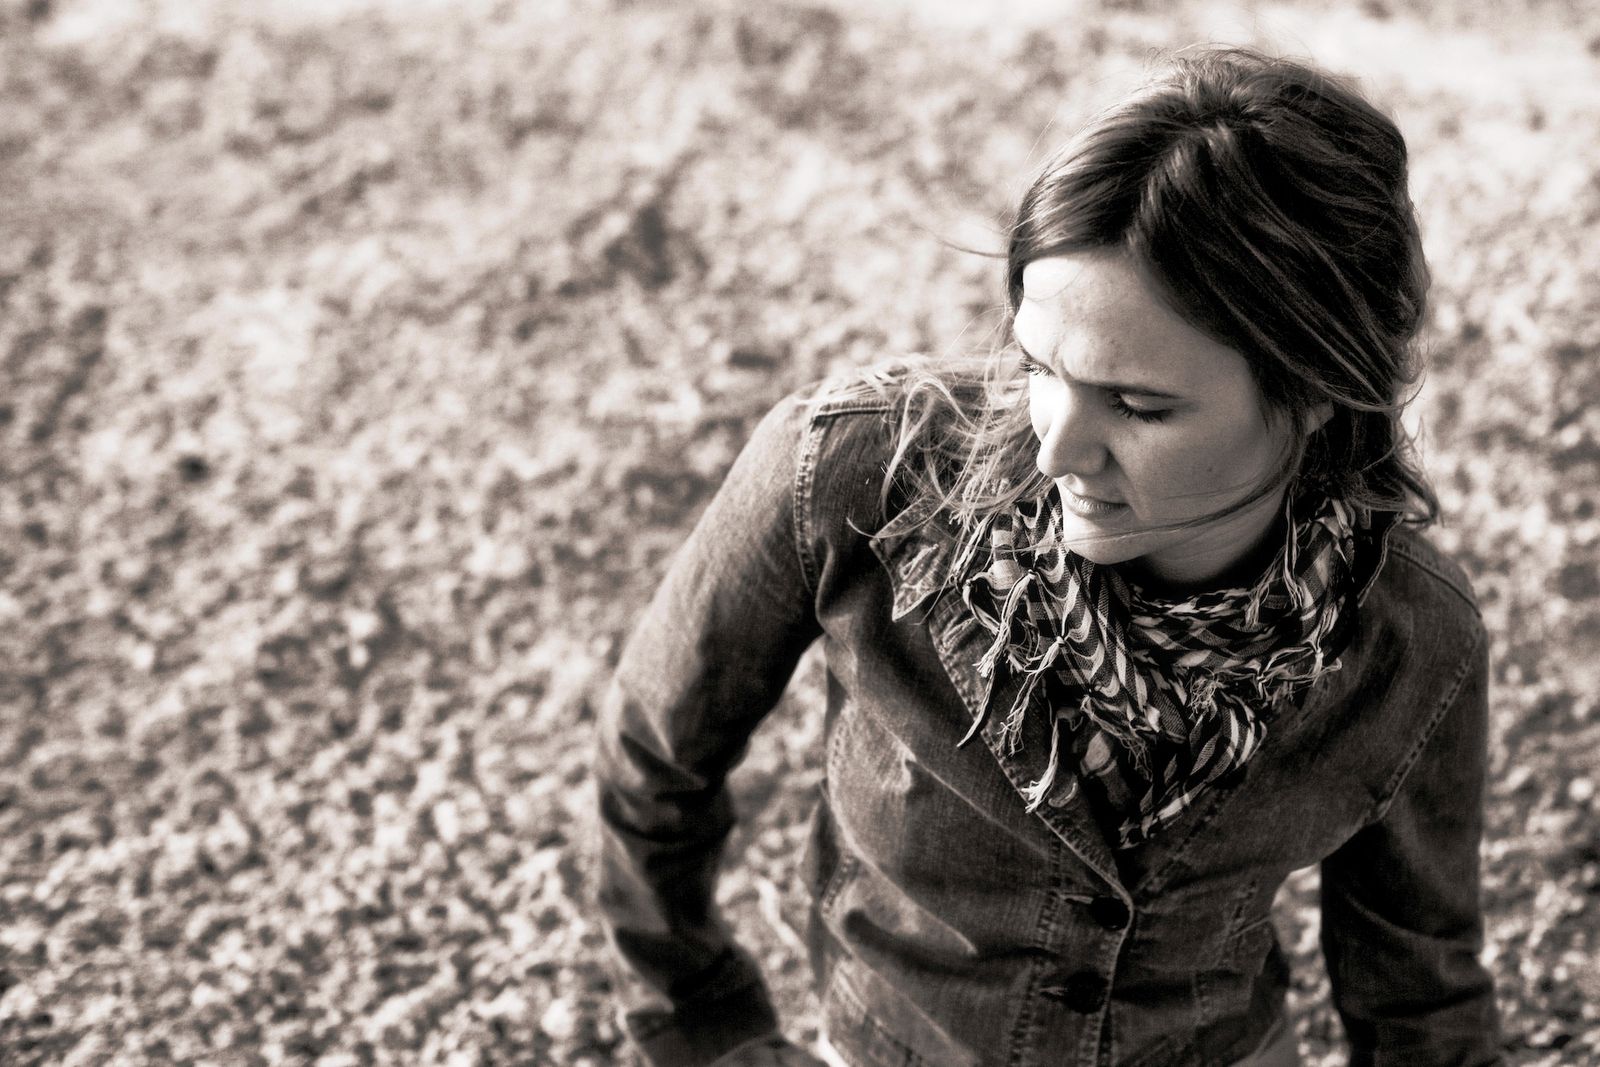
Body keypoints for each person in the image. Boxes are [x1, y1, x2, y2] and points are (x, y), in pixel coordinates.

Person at [592, 46, 1503, 1067]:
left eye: (1138, 405)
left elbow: (1420, 991)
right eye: (1038, 366)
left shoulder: (1409, 639)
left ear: (1319, 389)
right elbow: (654, 756)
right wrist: (699, 1022)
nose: (1056, 449)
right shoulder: (851, 473)